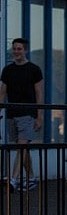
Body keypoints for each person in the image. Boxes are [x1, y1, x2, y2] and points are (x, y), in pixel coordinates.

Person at [1, 38, 44, 191]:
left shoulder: (34, 69)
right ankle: (31, 178)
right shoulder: (8, 70)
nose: (16, 52)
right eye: (14, 49)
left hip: (28, 113)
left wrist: (39, 116)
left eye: (19, 49)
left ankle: (13, 179)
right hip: (12, 113)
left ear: (25, 50)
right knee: (22, 147)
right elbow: (3, 91)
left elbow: (39, 93)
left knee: (21, 146)